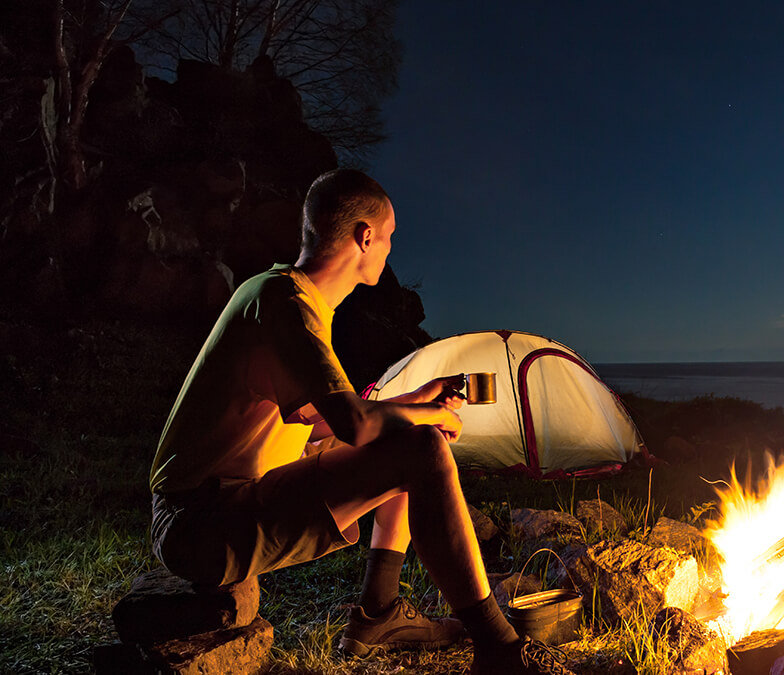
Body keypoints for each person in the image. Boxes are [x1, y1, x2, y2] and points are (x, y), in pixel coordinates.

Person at [148, 168, 574, 675]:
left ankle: (380, 615)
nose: (390, 250)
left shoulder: (278, 293)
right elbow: (352, 423)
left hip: (214, 504)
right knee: (421, 449)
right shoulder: (288, 304)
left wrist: (415, 401)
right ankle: (499, 648)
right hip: (201, 522)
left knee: (410, 438)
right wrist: (428, 412)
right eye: (389, 237)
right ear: (365, 236)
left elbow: (316, 422)